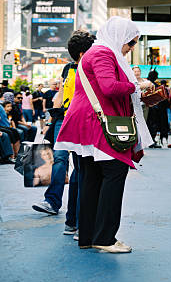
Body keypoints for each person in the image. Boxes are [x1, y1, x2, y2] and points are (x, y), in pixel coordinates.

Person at [54, 17, 154, 253]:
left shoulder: (95, 53)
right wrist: (137, 86)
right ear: (120, 37)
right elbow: (109, 87)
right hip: (99, 125)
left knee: (91, 179)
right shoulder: (103, 53)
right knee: (114, 174)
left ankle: (89, 236)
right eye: (130, 43)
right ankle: (105, 237)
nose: (130, 49)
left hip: (87, 124)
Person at [32, 30, 96, 245]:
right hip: (63, 118)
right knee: (59, 159)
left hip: (80, 119)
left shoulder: (93, 68)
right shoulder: (69, 68)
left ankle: (74, 221)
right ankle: (52, 202)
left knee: (79, 168)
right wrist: (50, 121)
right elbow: (61, 92)